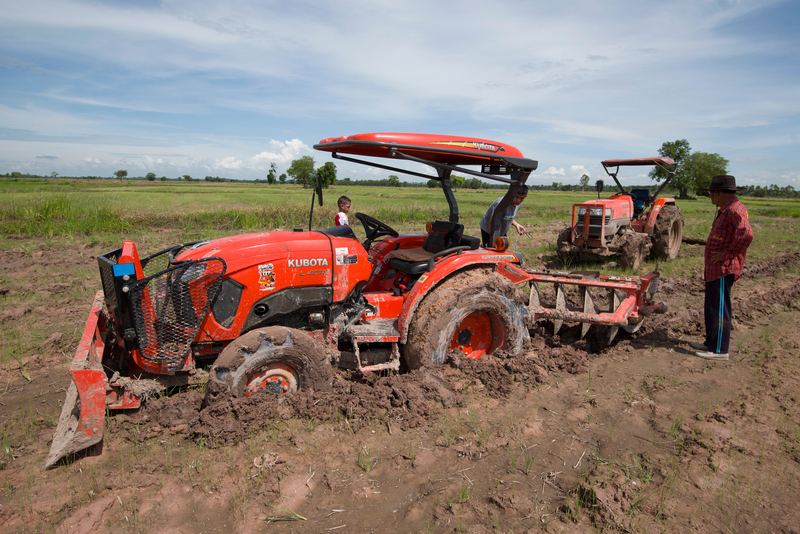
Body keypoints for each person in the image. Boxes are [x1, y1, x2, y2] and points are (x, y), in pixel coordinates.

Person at [689, 175, 753, 361]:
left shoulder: (734, 210)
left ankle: (719, 350)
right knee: (712, 307)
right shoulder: (727, 208)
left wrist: (726, 255)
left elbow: (747, 235)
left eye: (710, 193)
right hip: (714, 270)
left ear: (718, 193)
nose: (710, 196)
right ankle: (710, 342)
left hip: (723, 269)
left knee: (719, 309)